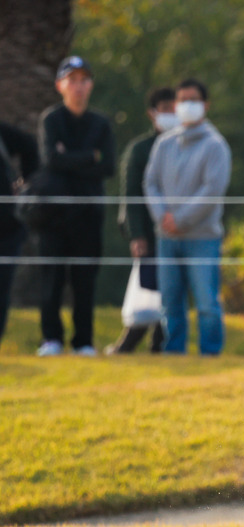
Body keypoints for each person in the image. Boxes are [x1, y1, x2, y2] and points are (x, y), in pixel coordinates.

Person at [35, 55, 116, 357]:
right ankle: (51, 339)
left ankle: (83, 341)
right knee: (52, 278)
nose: (78, 86)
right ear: (60, 85)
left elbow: (107, 166)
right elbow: (50, 161)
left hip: (89, 213)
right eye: (72, 80)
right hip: (53, 215)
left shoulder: (101, 124)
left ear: (90, 85)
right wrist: (88, 157)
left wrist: (70, 157)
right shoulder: (51, 120)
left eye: (83, 80)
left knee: (84, 280)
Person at [144, 78, 231, 356]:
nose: (186, 106)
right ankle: (173, 351)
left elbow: (212, 191)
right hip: (166, 238)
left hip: (202, 237)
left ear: (205, 105)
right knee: (170, 301)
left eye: (193, 100)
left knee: (206, 302)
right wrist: (163, 218)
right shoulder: (164, 143)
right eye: (182, 100)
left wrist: (179, 220)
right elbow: (151, 183)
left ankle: (210, 353)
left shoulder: (216, 145)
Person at [108, 86, 176, 355]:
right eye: (166, 110)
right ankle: (131, 344)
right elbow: (131, 197)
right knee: (150, 289)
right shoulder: (140, 149)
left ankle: (161, 345)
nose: (172, 115)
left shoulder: (186, 145)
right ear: (153, 113)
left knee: (172, 292)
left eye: (175, 110)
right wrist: (136, 234)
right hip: (150, 232)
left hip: (179, 231)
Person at [0, 120, 39, 346]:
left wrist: (27, 187)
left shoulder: (4, 134)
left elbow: (30, 146)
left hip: (6, 229)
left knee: (1, 288)